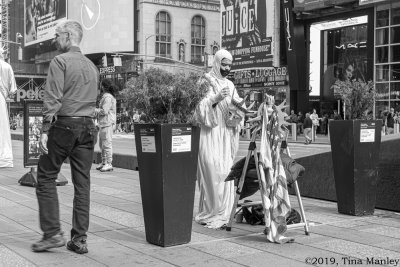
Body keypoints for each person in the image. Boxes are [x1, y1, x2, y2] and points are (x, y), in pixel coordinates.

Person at [32, 20, 99, 254]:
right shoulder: (92, 66)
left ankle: (51, 234)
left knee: (46, 176)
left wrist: (43, 130)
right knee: (83, 184)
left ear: (68, 36)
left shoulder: (59, 61)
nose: (55, 39)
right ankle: (79, 239)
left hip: (64, 125)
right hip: (88, 127)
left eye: (57, 35)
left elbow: (52, 98)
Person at [193, 49, 244, 229]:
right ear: (216, 63)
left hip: (226, 134)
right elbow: (198, 109)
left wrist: (240, 112)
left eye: (230, 65)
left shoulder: (230, 85)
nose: (227, 68)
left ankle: (223, 211)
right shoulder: (205, 81)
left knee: (224, 171)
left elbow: (238, 105)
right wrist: (215, 98)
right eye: (224, 65)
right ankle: (211, 211)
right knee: (210, 170)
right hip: (209, 133)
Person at [0, 46, 18, 168]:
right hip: (1, 99)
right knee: (2, 129)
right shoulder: (7, 66)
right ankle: (3, 158)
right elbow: (13, 90)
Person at [95, 79, 117, 172]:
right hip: (103, 123)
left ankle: (109, 163)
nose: (100, 87)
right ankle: (104, 162)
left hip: (107, 123)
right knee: (102, 144)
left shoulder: (108, 97)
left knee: (107, 144)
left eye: (100, 85)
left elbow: (104, 111)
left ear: (103, 86)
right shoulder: (106, 97)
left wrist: (94, 110)